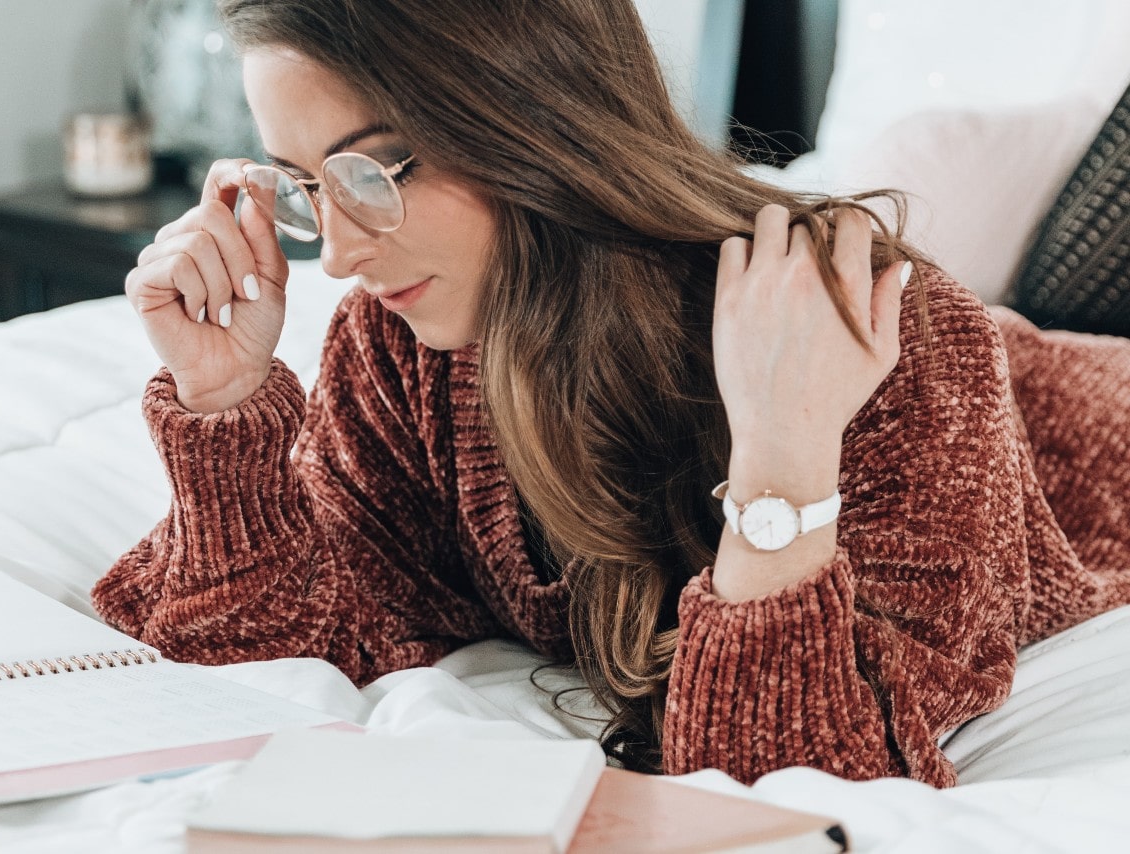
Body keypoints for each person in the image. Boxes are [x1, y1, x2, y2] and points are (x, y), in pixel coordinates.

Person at [92, 0, 1130, 786]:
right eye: (307, 189)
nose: (342, 255)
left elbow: (790, 775)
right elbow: (274, 638)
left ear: (528, 119)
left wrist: (777, 456)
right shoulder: (402, 346)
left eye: (372, 175)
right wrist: (222, 407)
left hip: (1088, 432)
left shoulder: (887, 342)